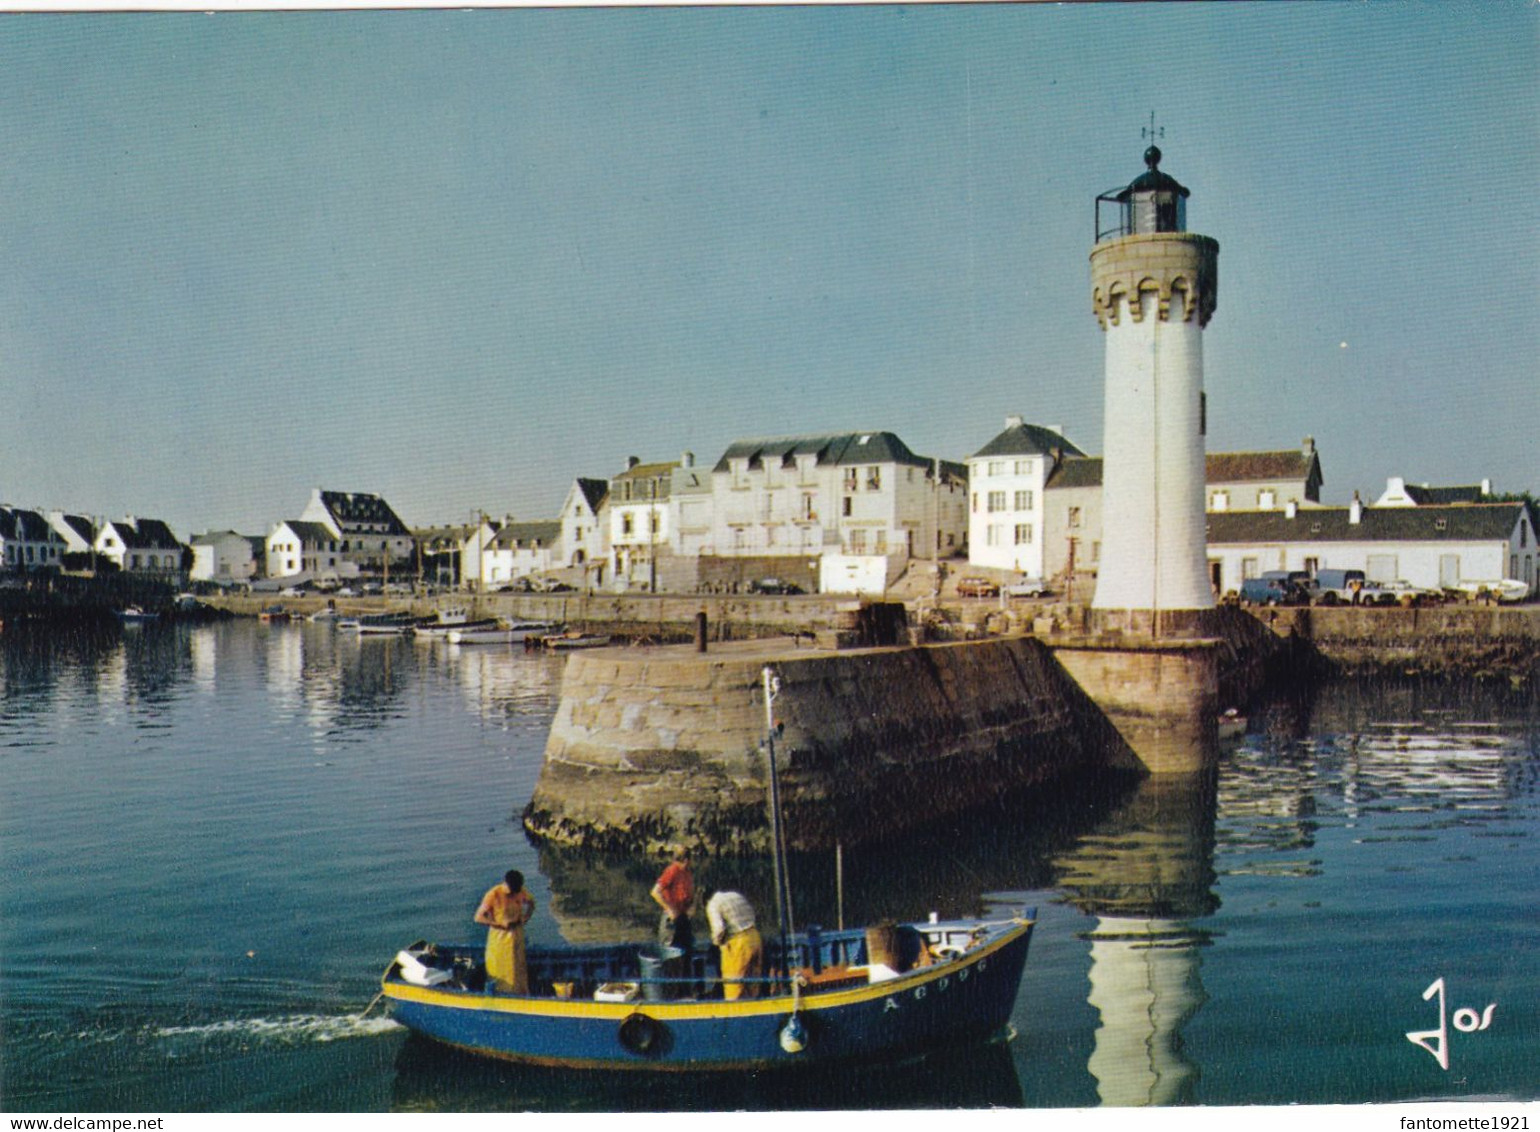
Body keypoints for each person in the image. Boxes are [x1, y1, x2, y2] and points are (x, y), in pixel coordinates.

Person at [475, 869, 535, 994]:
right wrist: (498, 924)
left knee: (518, 968)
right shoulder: (494, 894)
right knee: (502, 968)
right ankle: (503, 993)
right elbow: (479, 917)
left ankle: (521, 993)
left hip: (517, 933)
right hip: (500, 936)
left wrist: (525, 918)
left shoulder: (521, 891)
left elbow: (531, 903)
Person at [705, 889, 763, 1000]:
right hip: (755, 936)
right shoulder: (735, 895)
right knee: (753, 981)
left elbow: (719, 929)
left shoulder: (712, 904)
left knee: (733, 983)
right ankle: (753, 1007)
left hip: (738, 941)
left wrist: (716, 944)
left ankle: (733, 1012)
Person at [650, 846, 695, 952]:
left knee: (687, 949)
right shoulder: (672, 870)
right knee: (670, 950)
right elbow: (655, 892)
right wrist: (669, 909)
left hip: (684, 916)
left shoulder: (687, 873)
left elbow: (690, 894)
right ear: (686, 860)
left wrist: (692, 906)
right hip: (672, 918)